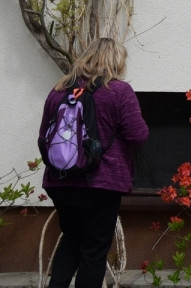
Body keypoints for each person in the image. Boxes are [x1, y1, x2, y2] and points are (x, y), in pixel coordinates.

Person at [38, 38, 149, 288]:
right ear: (115, 61)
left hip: (61, 182)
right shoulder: (119, 92)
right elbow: (138, 135)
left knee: (72, 239)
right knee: (94, 249)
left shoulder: (58, 91)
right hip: (102, 183)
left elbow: (43, 137)